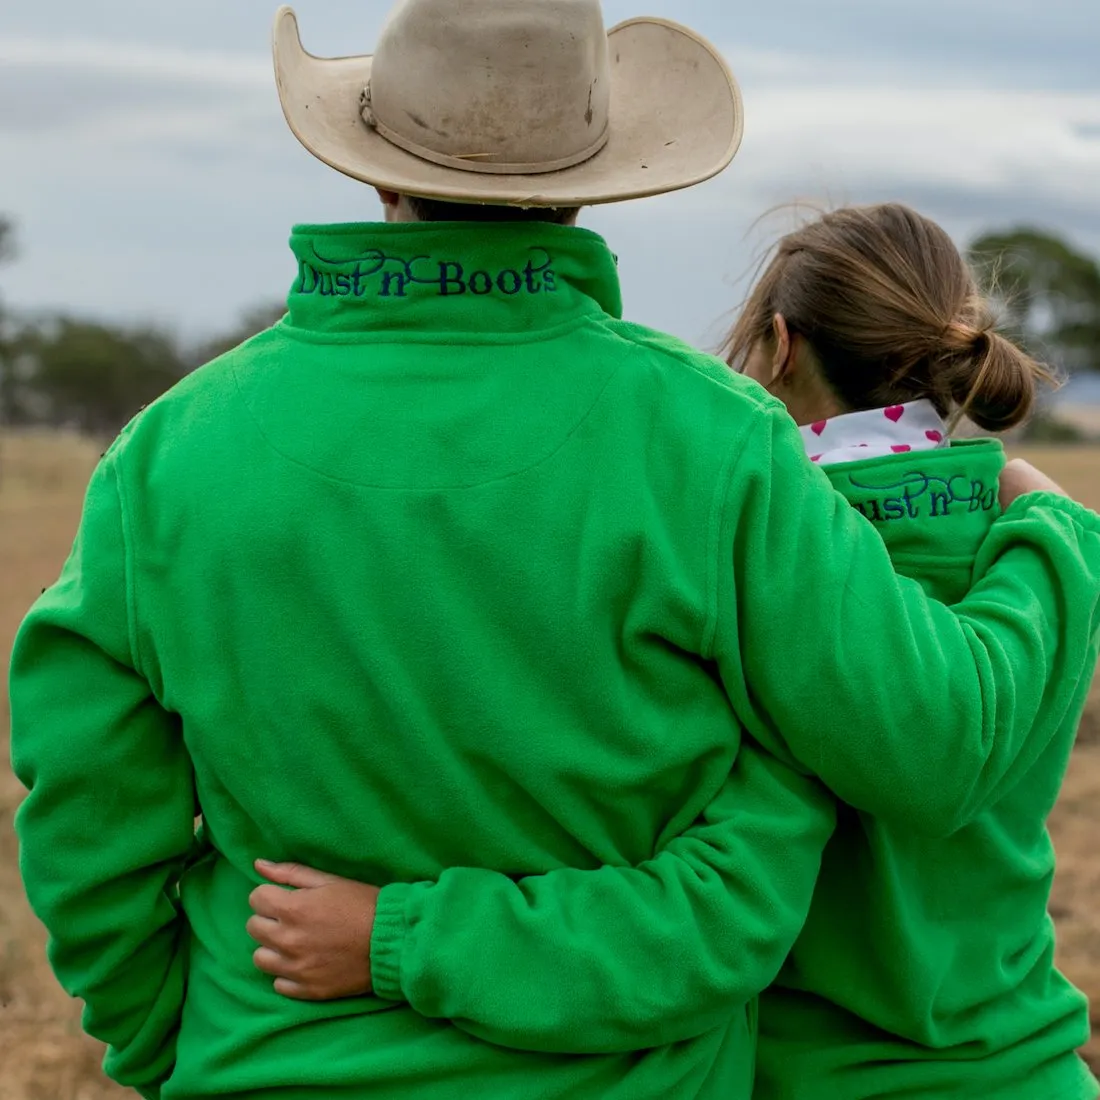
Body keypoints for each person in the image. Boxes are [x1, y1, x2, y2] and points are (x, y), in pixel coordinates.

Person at [8, 0, 1100, 1096]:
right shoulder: (713, 442)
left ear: (376, 169)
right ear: (590, 173)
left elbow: (82, 808)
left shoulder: (167, 452)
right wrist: (1054, 536)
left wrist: (176, 1036)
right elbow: (886, 768)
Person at [247, 204, 1100, 1100]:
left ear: (778, 344)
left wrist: (398, 937)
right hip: (1027, 1071)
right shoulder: (1034, 558)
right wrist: (1051, 514)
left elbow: (705, 909)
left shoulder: (736, 565)